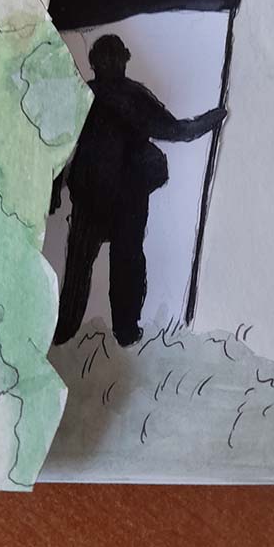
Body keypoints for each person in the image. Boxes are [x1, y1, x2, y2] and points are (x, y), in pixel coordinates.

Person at [51, 34, 226, 347]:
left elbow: (59, 145)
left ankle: (66, 332)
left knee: (85, 266)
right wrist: (213, 118)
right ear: (125, 59)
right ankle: (123, 332)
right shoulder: (132, 96)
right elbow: (177, 130)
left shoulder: (86, 94)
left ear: (94, 63)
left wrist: (55, 188)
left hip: (96, 196)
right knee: (124, 264)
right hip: (123, 198)